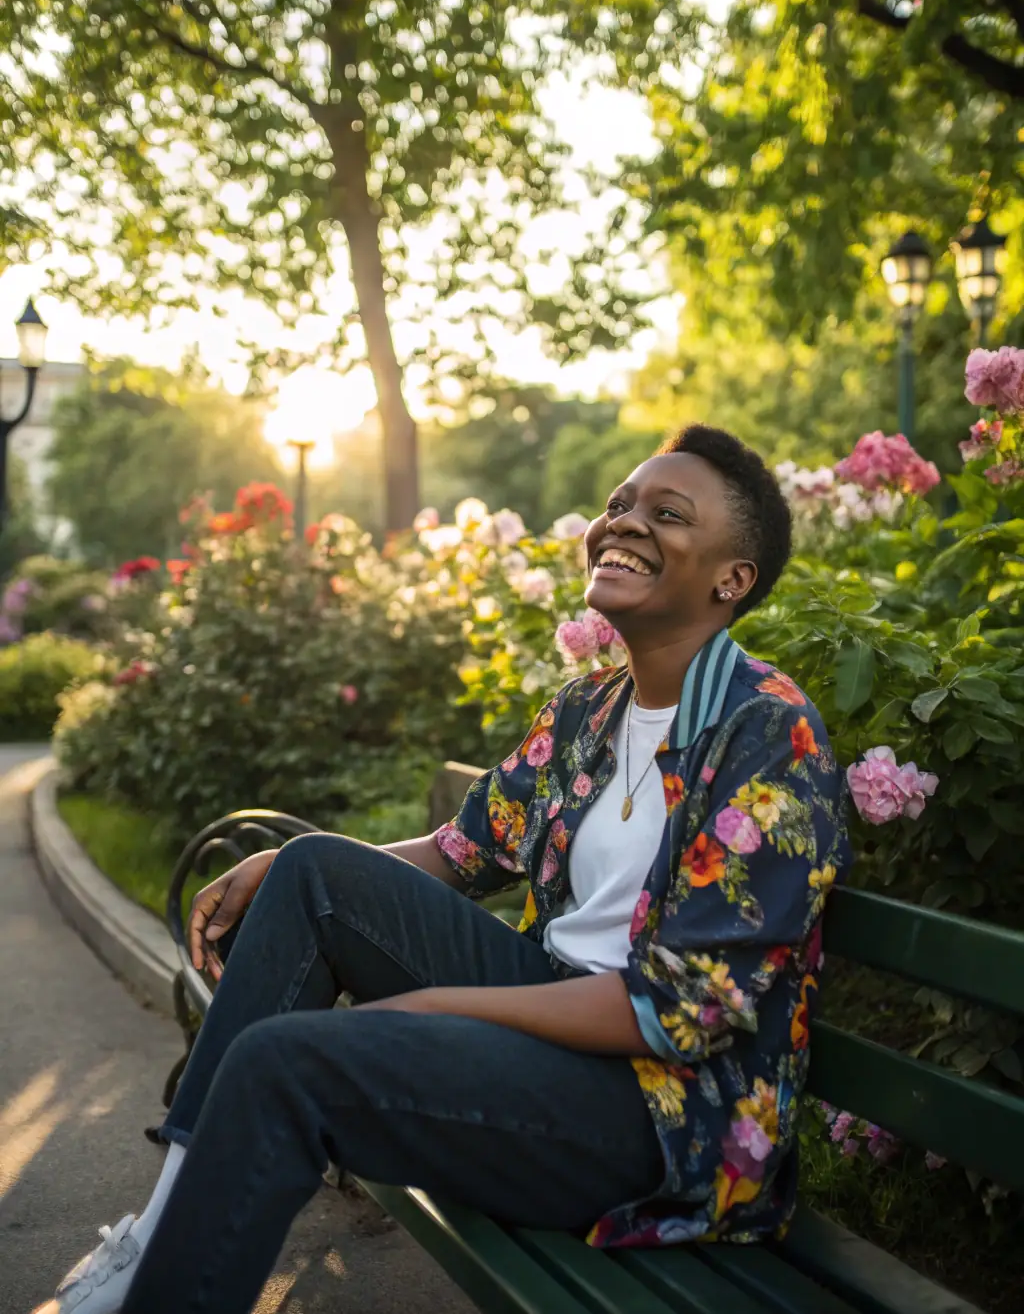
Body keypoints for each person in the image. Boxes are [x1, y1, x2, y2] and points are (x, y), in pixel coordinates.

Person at [37, 425, 851, 1314]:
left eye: (667, 513)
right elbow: (459, 852)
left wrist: (438, 1007)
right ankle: (157, 1236)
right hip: (551, 1015)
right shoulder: (587, 708)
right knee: (313, 871)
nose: (624, 521)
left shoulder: (770, 731)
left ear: (732, 579)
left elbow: (679, 1011)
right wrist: (282, 864)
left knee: (288, 1064)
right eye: (620, 503)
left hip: (660, 1116)